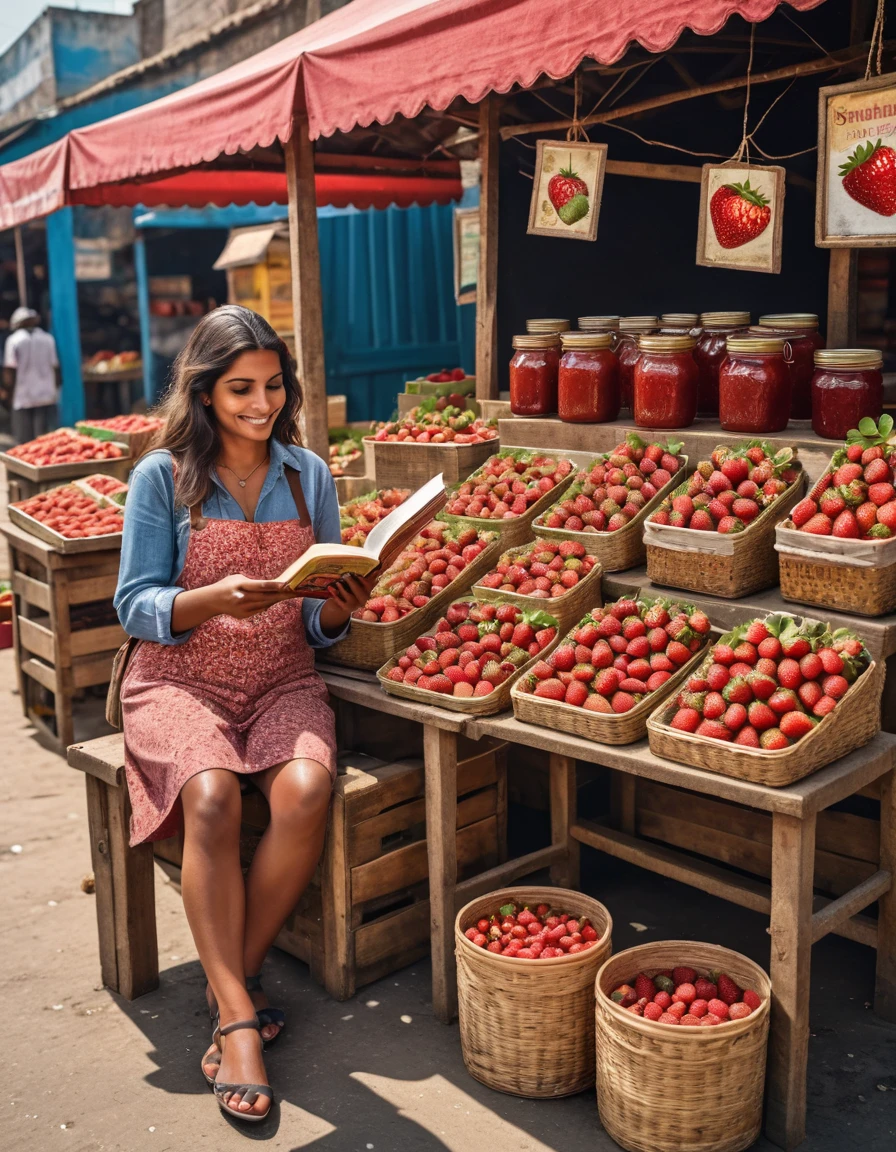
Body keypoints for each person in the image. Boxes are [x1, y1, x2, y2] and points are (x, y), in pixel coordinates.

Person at [114, 305, 374, 1123]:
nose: (261, 404)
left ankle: (232, 987)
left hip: (281, 677)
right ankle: (240, 1020)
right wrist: (206, 601)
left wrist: (338, 610)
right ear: (203, 393)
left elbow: (313, 626)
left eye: (272, 386)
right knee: (214, 794)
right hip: (176, 679)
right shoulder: (164, 478)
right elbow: (133, 605)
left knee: (303, 790)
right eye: (240, 390)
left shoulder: (310, 476)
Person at [2, 306, 60, 444]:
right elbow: (55, 367)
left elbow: (9, 370)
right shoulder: (48, 339)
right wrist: (56, 388)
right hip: (46, 394)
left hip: (23, 395)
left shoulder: (14, 340)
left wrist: (8, 393)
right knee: (43, 438)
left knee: (24, 438)